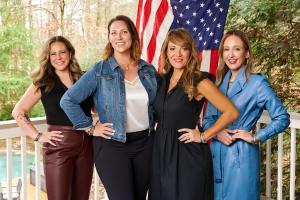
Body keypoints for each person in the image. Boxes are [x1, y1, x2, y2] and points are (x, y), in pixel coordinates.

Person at [60, 15, 158, 200]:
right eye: (114, 33)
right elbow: (68, 100)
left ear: (132, 36)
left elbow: (161, 103)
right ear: (109, 38)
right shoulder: (99, 71)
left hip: (145, 144)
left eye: (124, 32)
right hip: (113, 147)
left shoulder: (148, 70)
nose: (119, 37)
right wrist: (89, 127)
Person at [149, 28, 239, 200]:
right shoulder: (162, 80)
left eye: (184, 48)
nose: (178, 54)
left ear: (190, 52)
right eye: (173, 48)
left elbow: (231, 112)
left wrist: (204, 136)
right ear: (166, 52)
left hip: (187, 153)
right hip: (161, 151)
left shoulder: (198, 81)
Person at [203, 30, 290, 200]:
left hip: (241, 156)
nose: (231, 55)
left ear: (247, 53)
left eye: (237, 49)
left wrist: (256, 137)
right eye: (226, 49)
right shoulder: (219, 82)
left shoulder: (257, 83)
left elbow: (282, 118)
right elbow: (207, 120)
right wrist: (218, 132)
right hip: (215, 155)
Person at [12, 36, 94, 200]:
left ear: (70, 53)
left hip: (86, 145)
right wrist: (38, 136)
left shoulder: (84, 78)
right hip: (58, 147)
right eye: (53, 54)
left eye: (62, 52)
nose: (58, 57)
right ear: (48, 58)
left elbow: (95, 109)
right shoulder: (43, 82)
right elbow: (18, 112)